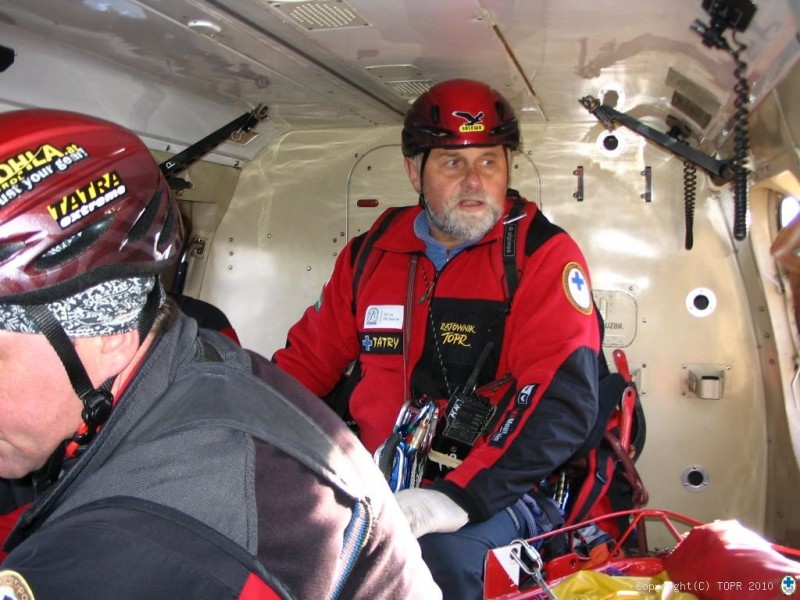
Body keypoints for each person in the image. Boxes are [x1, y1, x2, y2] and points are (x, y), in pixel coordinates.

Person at [0, 108, 441, 600]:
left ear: (110, 336)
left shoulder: (131, 542)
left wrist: (458, 497)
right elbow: (311, 359)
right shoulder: (198, 357)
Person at [273, 78, 601, 599]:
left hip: (501, 488)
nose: (475, 181)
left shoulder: (540, 255)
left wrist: (454, 499)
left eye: (489, 161)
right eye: (452, 163)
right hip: (376, 475)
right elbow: (303, 367)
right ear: (414, 172)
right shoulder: (371, 253)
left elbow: (559, 401)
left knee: (437, 563)